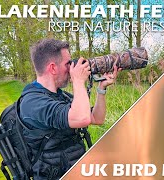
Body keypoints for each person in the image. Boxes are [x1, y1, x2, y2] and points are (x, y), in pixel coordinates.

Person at [19, 38, 119, 179]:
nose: (72, 67)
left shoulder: (61, 96)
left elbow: (97, 118)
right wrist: (78, 81)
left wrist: (101, 88)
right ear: (53, 68)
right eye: (68, 63)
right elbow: (82, 119)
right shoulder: (33, 103)